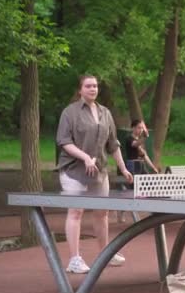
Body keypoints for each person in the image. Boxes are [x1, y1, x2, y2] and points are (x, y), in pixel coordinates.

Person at [56, 75, 133, 274]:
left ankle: (105, 254)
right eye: (88, 86)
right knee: (76, 212)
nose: (92, 89)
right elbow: (64, 141)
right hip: (74, 170)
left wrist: (123, 169)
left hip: (99, 171)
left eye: (95, 86)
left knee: (102, 212)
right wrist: (85, 157)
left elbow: (113, 145)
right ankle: (74, 259)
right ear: (80, 90)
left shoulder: (105, 113)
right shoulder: (70, 113)